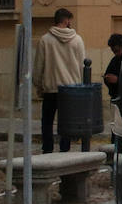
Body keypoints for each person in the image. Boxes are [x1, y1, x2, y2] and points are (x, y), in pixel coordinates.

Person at [34, 8, 86, 153]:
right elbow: (83, 66)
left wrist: (38, 85)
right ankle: (64, 150)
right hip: (71, 89)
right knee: (66, 123)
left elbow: (39, 66)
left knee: (47, 122)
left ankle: (47, 150)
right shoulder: (77, 40)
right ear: (66, 20)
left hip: (51, 88)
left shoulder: (45, 40)